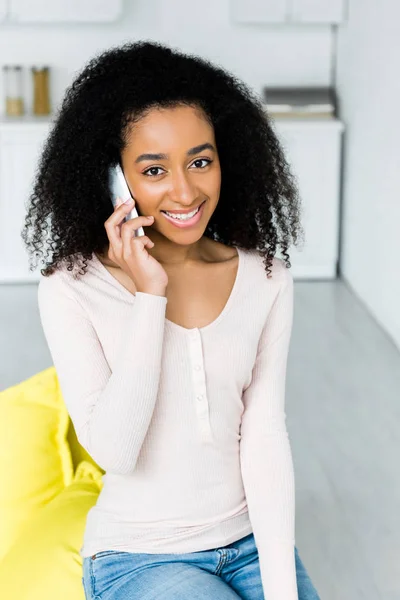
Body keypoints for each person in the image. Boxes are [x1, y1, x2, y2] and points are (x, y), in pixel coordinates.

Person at [22, 40, 320, 600]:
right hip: (139, 555)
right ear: (114, 178)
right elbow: (115, 449)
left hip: (249, 540)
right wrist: (148, 297)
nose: (184, 191)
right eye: (154, 169)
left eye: (201, 161)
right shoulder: (70, 287)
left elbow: (264, 435)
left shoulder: (267, 277)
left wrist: (282, 588)